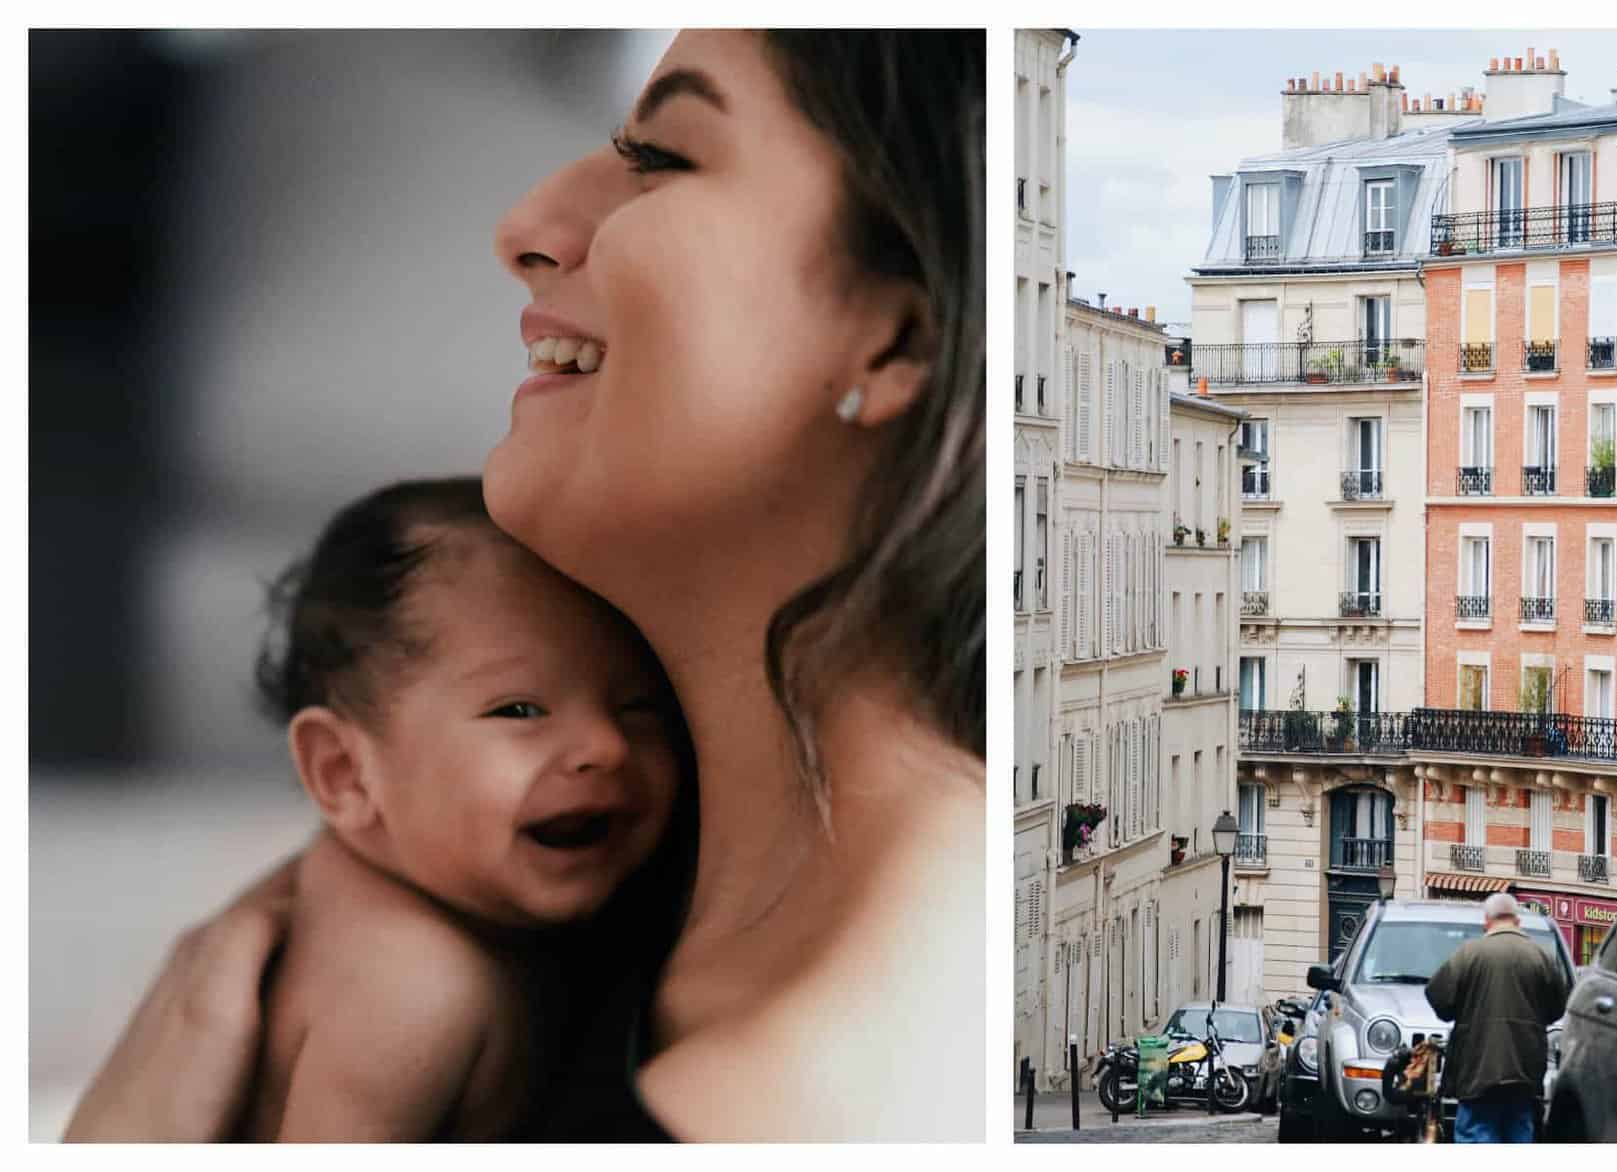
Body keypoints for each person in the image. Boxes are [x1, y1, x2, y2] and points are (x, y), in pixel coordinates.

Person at [64, 28, 983, 1142]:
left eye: (665, 158)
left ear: (893, 339)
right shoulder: (555, 868)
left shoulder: (793, 1096)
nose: (525, 230)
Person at [238, 478, 688, 1140]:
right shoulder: (416, 991)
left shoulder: (404, 891)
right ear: (345, 773)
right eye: (520, 710)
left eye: (639, 705)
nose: (607, 745)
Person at [1423, 892, 1569, 1144]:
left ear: (1487, 921)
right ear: (1517, 921)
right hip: (1525, 1069)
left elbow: (1439, 998)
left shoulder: (1469, 954)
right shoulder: (1541, 957)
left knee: (1477, 1131)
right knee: (1519, 1128)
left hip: (1478, 1068)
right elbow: (1557, 1008)